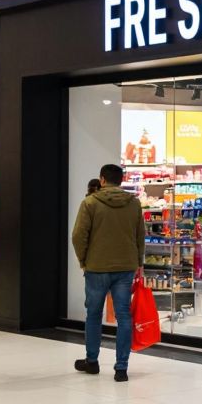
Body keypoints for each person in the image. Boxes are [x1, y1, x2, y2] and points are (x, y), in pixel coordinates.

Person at [70, 163, 145, 382]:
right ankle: (121, 368)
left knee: (93, 314)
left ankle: (92, 361)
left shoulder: (90, 203)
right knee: (123, 316)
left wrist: (84, 259)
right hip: (125, 267)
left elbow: (78, 236)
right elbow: (140, 235)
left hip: (97, 267)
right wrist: (138, 262)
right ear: (121, 180)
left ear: (102, 180)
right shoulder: (134, 204)